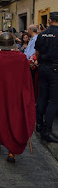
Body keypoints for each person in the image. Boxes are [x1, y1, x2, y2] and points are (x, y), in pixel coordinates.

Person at [0, 32, 35, 162]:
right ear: (12, 43)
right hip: (16, 96)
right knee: (15, 119)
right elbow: (26, 80)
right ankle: (11, 152)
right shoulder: (22, 58)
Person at [35, 12, 58, 143]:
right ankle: (46, 130)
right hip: (55, 69)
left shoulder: (42, 34)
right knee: (54, 101)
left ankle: (39, 124)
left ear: (49, 20)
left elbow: (37, 51)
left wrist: (41, 62)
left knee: (42, 97)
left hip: (43, 67)